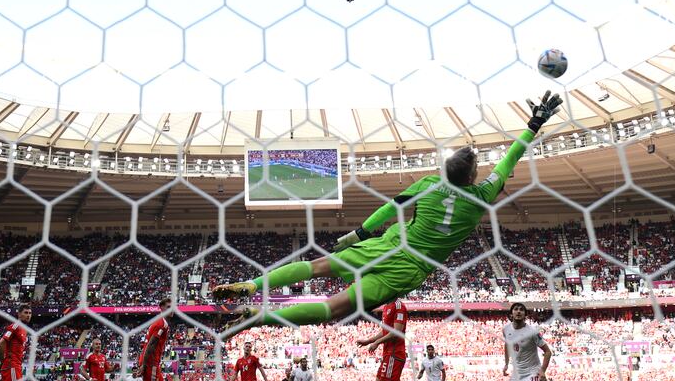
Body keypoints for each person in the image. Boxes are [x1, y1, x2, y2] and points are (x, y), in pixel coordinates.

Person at [213, 92, 563, 329]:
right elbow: (511, 157)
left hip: (389, 245)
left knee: (316, 266)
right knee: (335, 308)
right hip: (408, 268)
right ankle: (258, 318)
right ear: (473, 176)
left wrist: (359, 233)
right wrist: (534, 124)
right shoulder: (483, 195)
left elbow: (390, 208)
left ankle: (252, 283)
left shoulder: (428, 185)